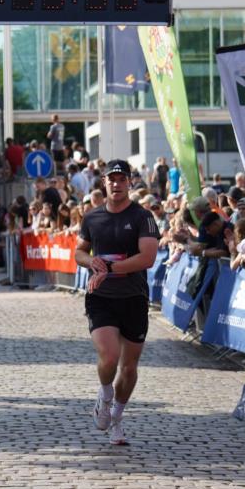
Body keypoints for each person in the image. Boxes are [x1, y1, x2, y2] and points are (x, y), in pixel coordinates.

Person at [75, 159, 160, 446]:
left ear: (130, 183)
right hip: (101, 297)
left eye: (122, 179)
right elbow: (79, 252)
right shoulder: (92, 217)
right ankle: (104, 394)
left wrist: (108, 269)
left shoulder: (143, 217)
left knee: (129, 367)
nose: (116, 184)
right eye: (111, 179)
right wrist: (91, 261)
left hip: (133, 297)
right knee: (109, 356)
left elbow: (147, 258)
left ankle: (117, 419)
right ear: (103, 183)